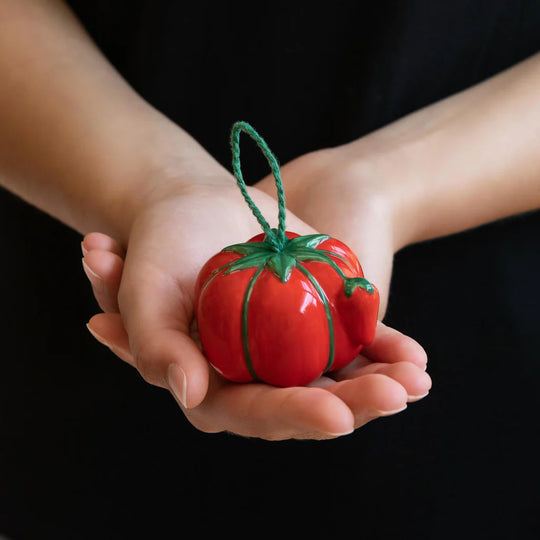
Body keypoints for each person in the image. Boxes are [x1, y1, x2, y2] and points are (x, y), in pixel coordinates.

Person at [0, 0, 539, 442]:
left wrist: (382, 186)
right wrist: (158, 185)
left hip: (495, 347)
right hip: (73, 209)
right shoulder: (325, 268)